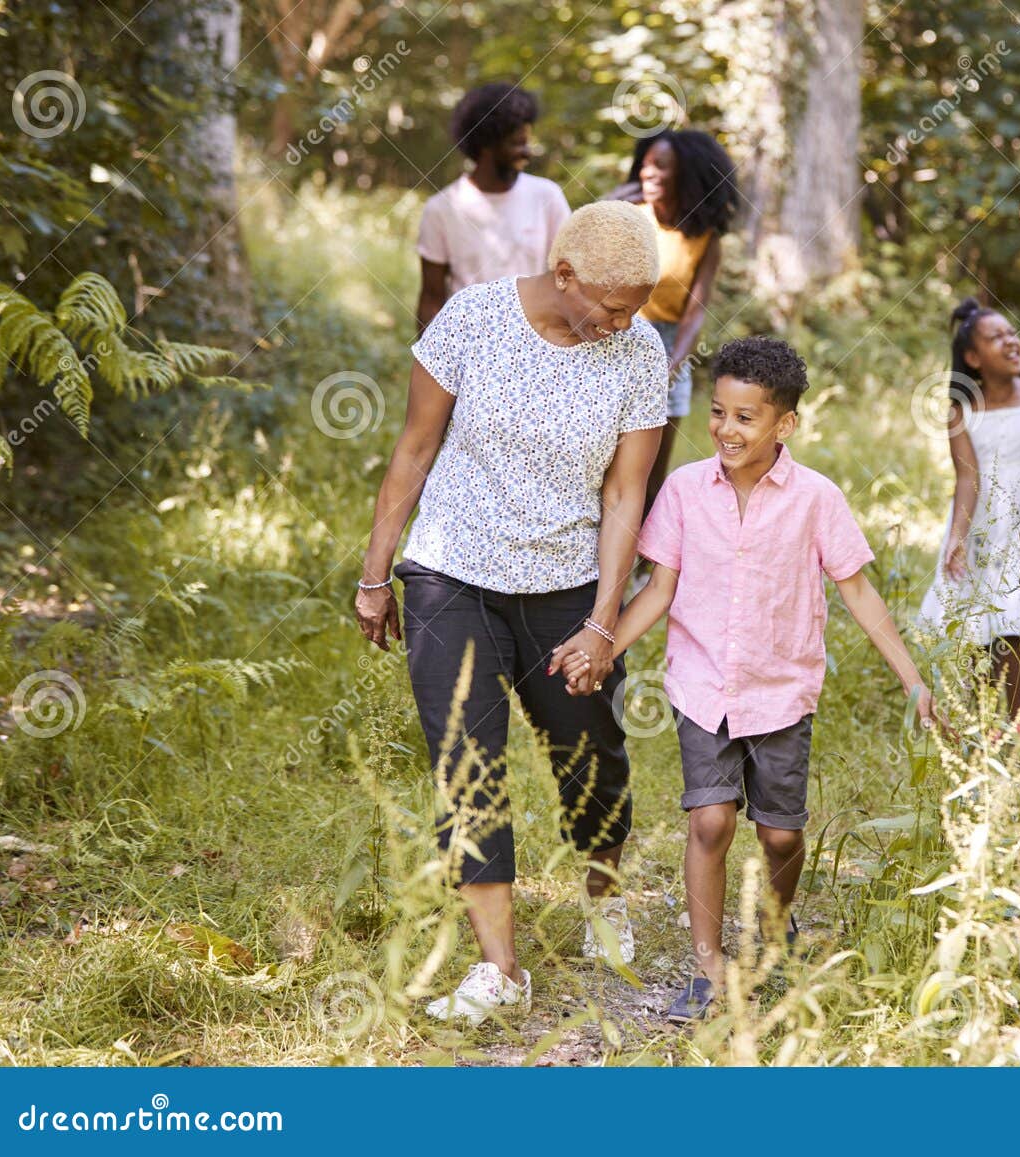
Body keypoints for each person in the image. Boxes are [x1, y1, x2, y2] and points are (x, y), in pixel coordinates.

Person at [553, 336, 936, 1024]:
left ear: (785, 423)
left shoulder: (817, 498)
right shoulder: (684, 490)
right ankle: (708, 964)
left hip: (782, 689)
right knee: (709, 820)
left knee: (781, 835)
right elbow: (659, 588)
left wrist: (912, 680)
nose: (727, 429)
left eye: (746, 417)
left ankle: (779, 928)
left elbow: (861, 595)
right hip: (702, 685)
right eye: (719, 413)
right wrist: (602, 640)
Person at [356, 201, 667, 1026]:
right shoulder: (473, 319)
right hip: (451, 570)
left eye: (636, 305)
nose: (622, 321)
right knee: (466, 759)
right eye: (610, 304)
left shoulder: (638, 349)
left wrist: (605, 621)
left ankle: (604, 896)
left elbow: (625, 491)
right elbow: (414, 448)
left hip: (568, 585)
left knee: (591, 750)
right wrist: (375, 573)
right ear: (563, 274)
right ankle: (501, 967)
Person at [919, 298, 1020, 726]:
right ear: (972, 357)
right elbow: (968, 479)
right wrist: (958, 539)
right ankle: (985, 736)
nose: (1010, 342)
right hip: (983, 531)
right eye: (995, 337)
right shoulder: (962, 411)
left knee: (1017, 631)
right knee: (981, 632)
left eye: (1011, 333)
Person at [606, 129, 740, 508]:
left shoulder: (704, 237)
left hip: (669, 347)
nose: (647, 174)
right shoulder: (629, 218)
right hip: (620, 335)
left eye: (660, 166)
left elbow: (695, 313)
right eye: (645, 165)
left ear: (685, 174)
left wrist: (672, 367)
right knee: (607, 462)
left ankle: (648, 561)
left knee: (650, 469)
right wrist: (609, 203)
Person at [415, 83, 570, 333]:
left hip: (536, 342)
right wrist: (428, 363)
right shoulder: (441, 209)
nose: (527, 152)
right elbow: (432, 297)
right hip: (469, 346)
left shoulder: (547, 196)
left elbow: (569, 279)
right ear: (486, 145)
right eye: (517, 144)